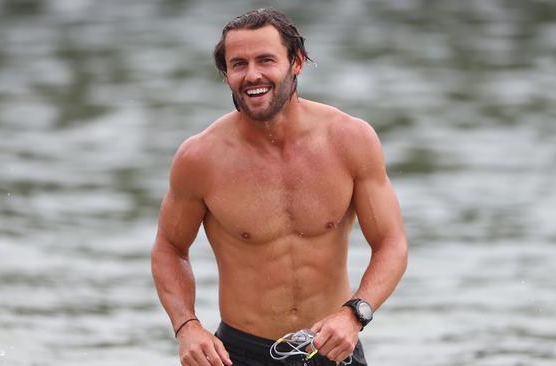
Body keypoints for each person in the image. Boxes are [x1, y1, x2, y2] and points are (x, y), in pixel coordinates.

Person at [151, 8, 408, 366]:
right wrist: (187, 326)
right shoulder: (201, 158)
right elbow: (169, 248)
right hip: (238, 354)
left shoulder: (350, 140)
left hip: (333, 347)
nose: (252, 75)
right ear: (227, 75)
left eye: (266, 60)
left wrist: (355, 314)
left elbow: (391, 243)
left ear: (297, 62)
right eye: (238, 64)